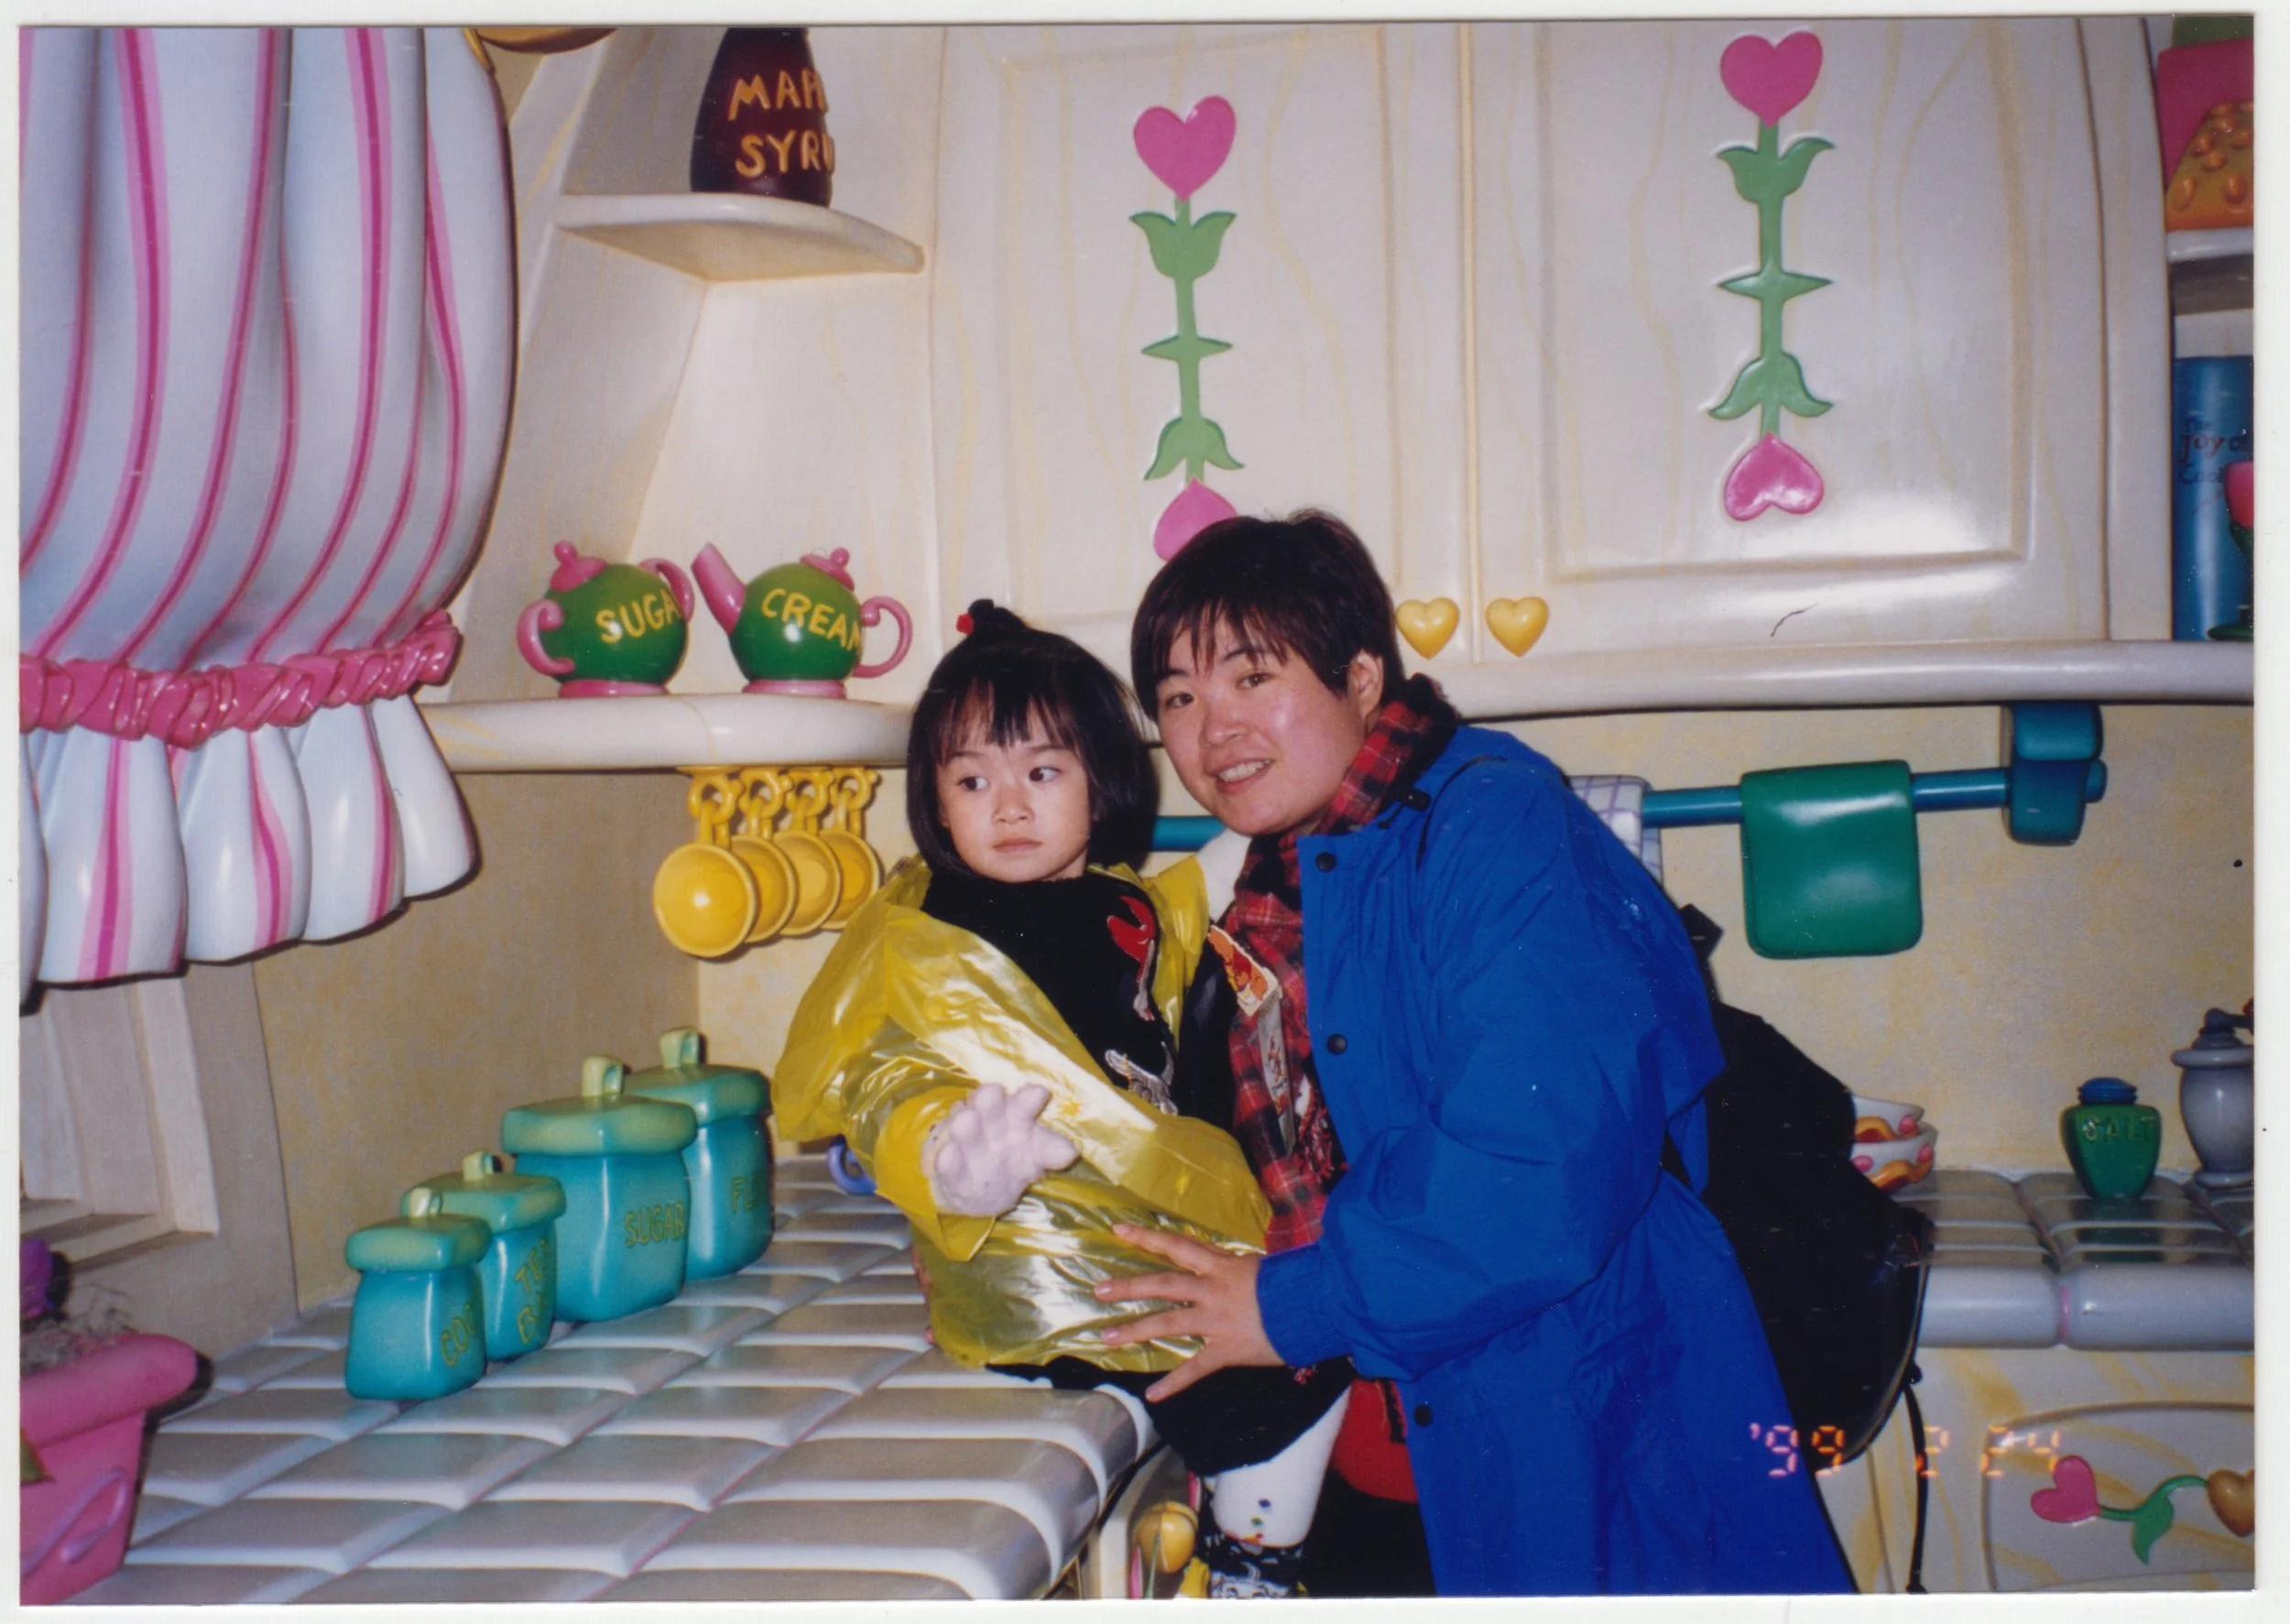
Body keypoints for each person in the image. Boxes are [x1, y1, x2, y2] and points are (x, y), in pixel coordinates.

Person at [1095, 512, 1855, 1597]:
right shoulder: (1280, 880)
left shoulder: (1492, 824)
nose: (1211, 731)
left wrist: (1284, 1309)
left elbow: (1535, 1167)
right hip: (1399, 1425)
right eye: (1176, 697)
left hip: (1573, 1409)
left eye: (1250, 677)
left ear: (1361, 677)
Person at [773, 602, 1353, 1597]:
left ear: (1101, 784)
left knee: (1314, 1328)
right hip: (1038, 1262)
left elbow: (1176, 921)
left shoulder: (1117, 899)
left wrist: (1247, 842)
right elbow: (888, 1077)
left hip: (1130, 1219)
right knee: (1278, 1366)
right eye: (971, 780)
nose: (1006, 806)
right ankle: (1257, 1560)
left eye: (1040, 773)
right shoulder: (934, 927)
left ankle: (1256, 1549)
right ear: (935, 801)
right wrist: (954, 1161)